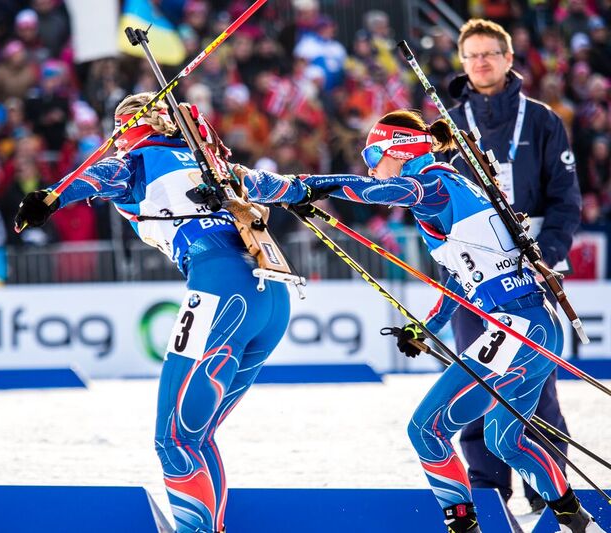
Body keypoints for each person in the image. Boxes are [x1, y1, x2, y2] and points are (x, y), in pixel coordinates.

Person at [235, 110, 603, 533]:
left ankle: (464, 527)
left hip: (519, 327)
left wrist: (300, 187)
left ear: (399, 149)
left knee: (425, 430)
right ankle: (579, 523)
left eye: (373, 153)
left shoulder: (432, 182)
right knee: (505, 441)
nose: (370, 165)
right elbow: (461, 280)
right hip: (537, 326)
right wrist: (426, 326)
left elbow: (376, 191)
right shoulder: (451, 188)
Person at [14, 92, 291, 533]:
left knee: (176, 441)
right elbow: (283, 186)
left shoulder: (138, 160)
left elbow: (98, 177)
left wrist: (51, 197)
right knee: (197, 437)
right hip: (271, 297)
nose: (117, 140)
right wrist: (317, 192)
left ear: (129, 129)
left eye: (120, 129)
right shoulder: (212, 163)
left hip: (220, 289)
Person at [445, 18, 581, 513]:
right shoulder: (447, 126)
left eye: (490, 53)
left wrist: (544, 253)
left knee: (535, 379)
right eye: (472, 55)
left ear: (508, 58)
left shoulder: (543, 121)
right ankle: (487, 490)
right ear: (463, 64)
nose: (481, 62)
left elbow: (566, 199)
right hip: (470, 274)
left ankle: (549, 489)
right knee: (475, 377)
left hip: (530, 268)